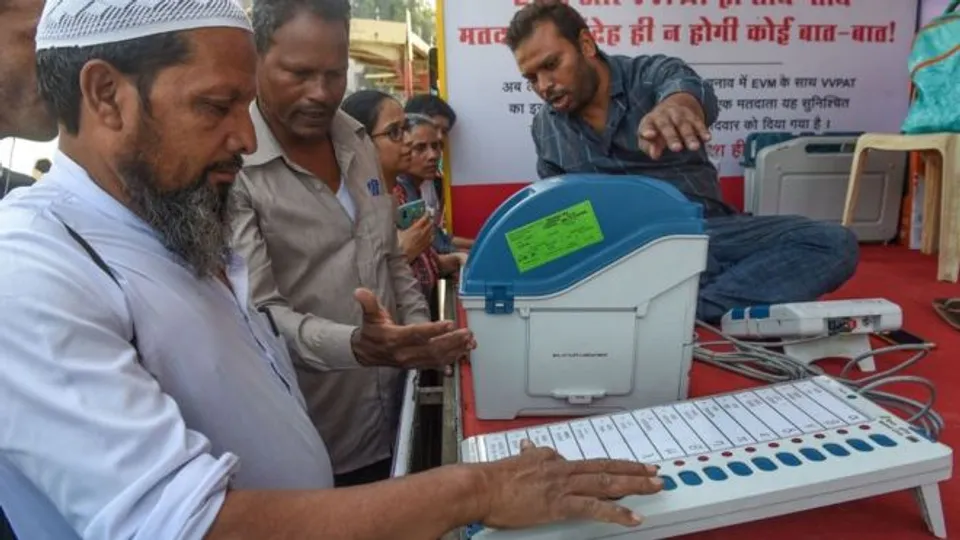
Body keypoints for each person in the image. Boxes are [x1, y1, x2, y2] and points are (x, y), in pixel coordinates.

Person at [0, 0, 664, 538]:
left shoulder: (172, 210)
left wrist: (380, 341)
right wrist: (479, 488)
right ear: (106, 94)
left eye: (244, 104)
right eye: (215, 106)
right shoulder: (29, 269)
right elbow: (184, 524)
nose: (242, 135)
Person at [232, 0, 466, 487]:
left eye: (334, 75)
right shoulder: (234, 167)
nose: (320, 93)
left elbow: (389, 260)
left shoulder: (355, 140)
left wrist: (420, 340)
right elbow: (261, 315)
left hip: (400, 409)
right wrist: (358, 346)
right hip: (319, 439)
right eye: (298, 73)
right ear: (255, 58)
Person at [505, 2, 860, 323]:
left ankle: (684, 310)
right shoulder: (545, 128)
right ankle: (701, 303)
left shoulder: (650, 74)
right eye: (531, 77)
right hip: (620, 253)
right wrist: (510, 251)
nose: (544, 85)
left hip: (705, 234)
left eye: (552, 65)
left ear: (585, 45)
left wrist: (679, 106)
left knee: (833, 242)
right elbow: (561, 222)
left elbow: (687, 89)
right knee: (521, 252)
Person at [340, 89, 434, 267]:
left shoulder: (399, 197)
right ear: (361, 141)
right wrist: (403, 254)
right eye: (394, 132)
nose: (409, 140)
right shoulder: (350, 212)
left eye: (405, 128)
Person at [394, 113, 465, 302]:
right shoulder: (396, 196)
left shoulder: (415, 191)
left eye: (436, 146)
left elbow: (429, 255)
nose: (433, 155)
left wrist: (457, 260)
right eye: (420, 148)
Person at [404, 93, 474, 252]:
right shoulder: (396, 190)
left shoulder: (436, 182)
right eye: (434, 128)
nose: (439, 137)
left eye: (444, 131)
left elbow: (439, 240)